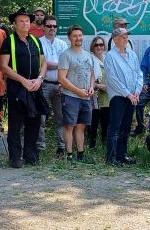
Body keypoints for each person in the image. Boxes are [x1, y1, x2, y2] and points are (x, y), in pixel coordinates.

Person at [1, 9, 45, 168]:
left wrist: (39, 79)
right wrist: (23, 81)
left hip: (35, 88)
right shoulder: (9, 41)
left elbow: (44, 63)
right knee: (15, 124)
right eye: (21, 21)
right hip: (17, 89)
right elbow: (4, 67)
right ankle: (15, 157)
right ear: (15, 23)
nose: (25, 23)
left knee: (34, 121)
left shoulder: (35, 40)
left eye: (27, 21)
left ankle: (30, 155)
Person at [104, 28, 143, 166]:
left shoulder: (132, 54)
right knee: (115, 127)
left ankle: (122, 155)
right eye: (122, 37)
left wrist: (137, 91)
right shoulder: (110, 56)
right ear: (115, 40)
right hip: (119, 97)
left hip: (133, 96)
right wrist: (127, 94)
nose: (126, 39)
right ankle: (111, 157)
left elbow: (139, 73)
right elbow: (112, 79)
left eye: (127, 36)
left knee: (126, 127)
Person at [58, 25, 96, 164]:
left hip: (85, 97)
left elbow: (92, 74)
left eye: (80, 35)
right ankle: (69, 155)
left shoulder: (88, 55)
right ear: (69, 38)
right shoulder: (65, 54)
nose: (78, 38)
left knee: (81, 126)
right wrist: (78, 91)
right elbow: (61, 78)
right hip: (71, 96)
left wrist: (91, 87)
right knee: (69, 125)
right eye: (75, 36)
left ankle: (81, 154)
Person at [39, 15, 68, 154]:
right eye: (49, 26)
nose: (52, 28)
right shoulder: (38, 43)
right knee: (41, 117)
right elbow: (43, 64)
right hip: (43, 84)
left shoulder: (62, 44)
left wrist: (52, 65)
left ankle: (62, 147)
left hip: (60, 84)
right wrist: (58, 65)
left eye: (54, 26)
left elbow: (66, 65)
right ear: (43, 27)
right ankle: (40, 147)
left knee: (61, 117)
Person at [88, 36, 110, 149]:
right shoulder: (89, 59)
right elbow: (87, 79)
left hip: (107, 97)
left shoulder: (108, 59)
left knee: (106, 123)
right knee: (93, 123)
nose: (99, 47)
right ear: (92, 46)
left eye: (101, 44)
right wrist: (98, 86)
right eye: (96, 45)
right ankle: (91, 146)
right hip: (94, 97)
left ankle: (104, 147)